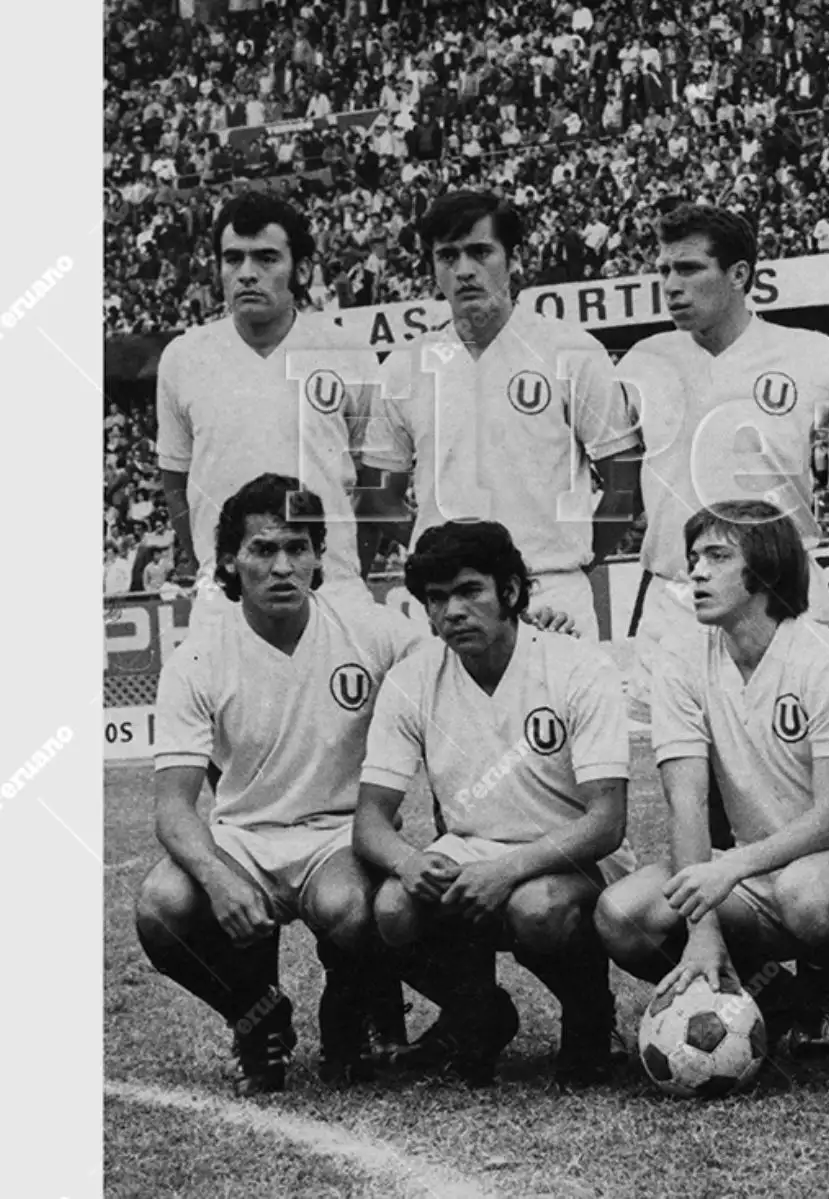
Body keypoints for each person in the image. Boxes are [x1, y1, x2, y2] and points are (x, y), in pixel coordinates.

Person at [592, 501, 829, 1082]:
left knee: (806, 892)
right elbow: (686, 803)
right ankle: (782, 1004)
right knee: (622, 914)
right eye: (693, 559)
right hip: (751, 871)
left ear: (764, 571)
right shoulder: (681, 661)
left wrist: (729, 869)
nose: (696, 573)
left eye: (717, 557)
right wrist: (702, 928)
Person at [134, 475, 420, 1095]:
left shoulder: (371, 632)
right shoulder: (198, 659)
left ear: (319, 556)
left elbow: (461, 654)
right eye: (263, 550)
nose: (282, 566)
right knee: (160, 907)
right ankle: (255, 1014)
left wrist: (540, 629)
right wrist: (216, 877)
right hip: (244, 841)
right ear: (232, 561)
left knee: (349, 908)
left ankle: (351, 1014)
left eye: (298, 548)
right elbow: (173, 809)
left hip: (337, 836)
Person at [354, 519, 638, 1088]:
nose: (452, 611)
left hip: (572, 853)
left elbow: (605, 822)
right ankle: (476, 1015)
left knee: (536, 908)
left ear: (509, 591)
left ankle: (590, 1020)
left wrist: (506, 870)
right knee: (391, 907)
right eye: (437, 599)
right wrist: (410, 862)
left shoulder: (577, 667)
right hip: (472, 848)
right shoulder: (412, 680)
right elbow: (370, 821)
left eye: (469, 591)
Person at [360, 190, 641, 641]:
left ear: (513, 259)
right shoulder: (404, 365)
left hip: (550, 589)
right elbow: (378, 493)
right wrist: (445, 558)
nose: (464, 270)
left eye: (480, 252)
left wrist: (578, 561)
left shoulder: (571, 351)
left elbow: (623, 482)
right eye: (447, 256)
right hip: (449, 599)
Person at [613, 204, 829, 717]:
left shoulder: (817, 359)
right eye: (665, 270)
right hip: (678, 598)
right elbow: (617, 480)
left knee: (806, 766)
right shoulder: (641, 364)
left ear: (739, 275)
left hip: (783, 595)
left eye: (690, 269)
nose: (671, 285)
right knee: (680, 780)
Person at [156, 193, 376, 634]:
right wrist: (211, 562)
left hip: (331, 590)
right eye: (232, 259)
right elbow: (176, 482)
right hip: (226, 598)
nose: (247, 274)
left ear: (299, 268)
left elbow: (373, 480)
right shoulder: (184, 357)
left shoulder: (347, 352)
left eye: (266, 258)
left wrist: (345, 567)